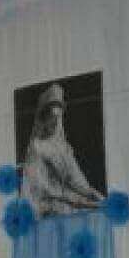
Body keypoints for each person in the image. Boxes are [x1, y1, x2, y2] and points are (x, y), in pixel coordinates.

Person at [21, 83, 104, 217]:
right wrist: (79, 200)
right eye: (52, 116)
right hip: (47, 206)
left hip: (70, 202)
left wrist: (91, 192)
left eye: (58, 117)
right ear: (44, 118)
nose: (55, 122)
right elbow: (42, 187)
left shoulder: (64, 147)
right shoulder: (37, 147)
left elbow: (74, 178)